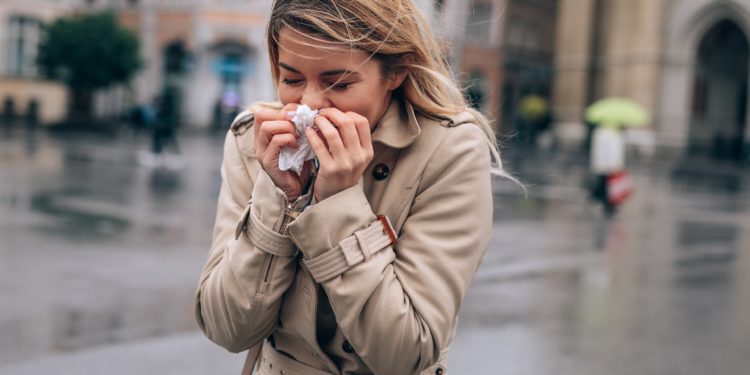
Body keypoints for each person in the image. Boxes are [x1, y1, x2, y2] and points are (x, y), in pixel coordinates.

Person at [194, 1, 513, 374]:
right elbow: (227, 328)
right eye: (292, 80)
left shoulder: (449, 150)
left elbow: (406, 353)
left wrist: (340, 203)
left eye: (339, 83)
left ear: (396, 72)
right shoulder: (255, 139)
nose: (309, 104)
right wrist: (278, 197)